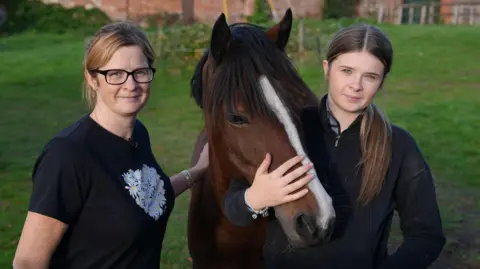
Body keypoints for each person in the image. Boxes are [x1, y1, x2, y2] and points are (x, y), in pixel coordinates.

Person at [222, 23, 446, 269]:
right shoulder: (290, 129)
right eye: (347, 71)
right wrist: (255, 198)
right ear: (327, 69)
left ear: (381, 82)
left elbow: (427, 236)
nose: (356, 85)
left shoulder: (398, 146)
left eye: (370, 76)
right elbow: (234, 208)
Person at [12, 21, 208, 269]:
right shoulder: (67, 155)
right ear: (93, 79)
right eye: (115, 74)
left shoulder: (138, 134)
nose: (131, 84)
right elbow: (27, 263)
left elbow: (145, 197)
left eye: (140, 72)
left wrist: (199, 170)